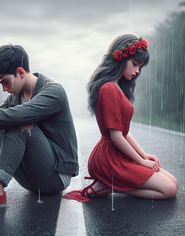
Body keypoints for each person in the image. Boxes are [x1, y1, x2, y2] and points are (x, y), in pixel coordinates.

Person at [0, 44, 79, 209]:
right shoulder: (15, 97)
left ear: (21, 72)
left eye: (5, 82)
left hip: (55, 177)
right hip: (30, 179)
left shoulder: (54, 91)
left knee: (18, 122)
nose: (5, 90)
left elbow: (16, 116)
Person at [63, 34, 178, 203]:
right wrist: (141, 161)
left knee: (173, 182)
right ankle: (111, 185)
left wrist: (145, 156)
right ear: (121, 58)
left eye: (140, 66)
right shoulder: (109, 88)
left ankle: (110, 184)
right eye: (135, 64)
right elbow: (116, 137)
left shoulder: (117, 88)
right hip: (109, 158)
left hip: (117, 154)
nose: (137, 71)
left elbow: (125, 134)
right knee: (169, 189)